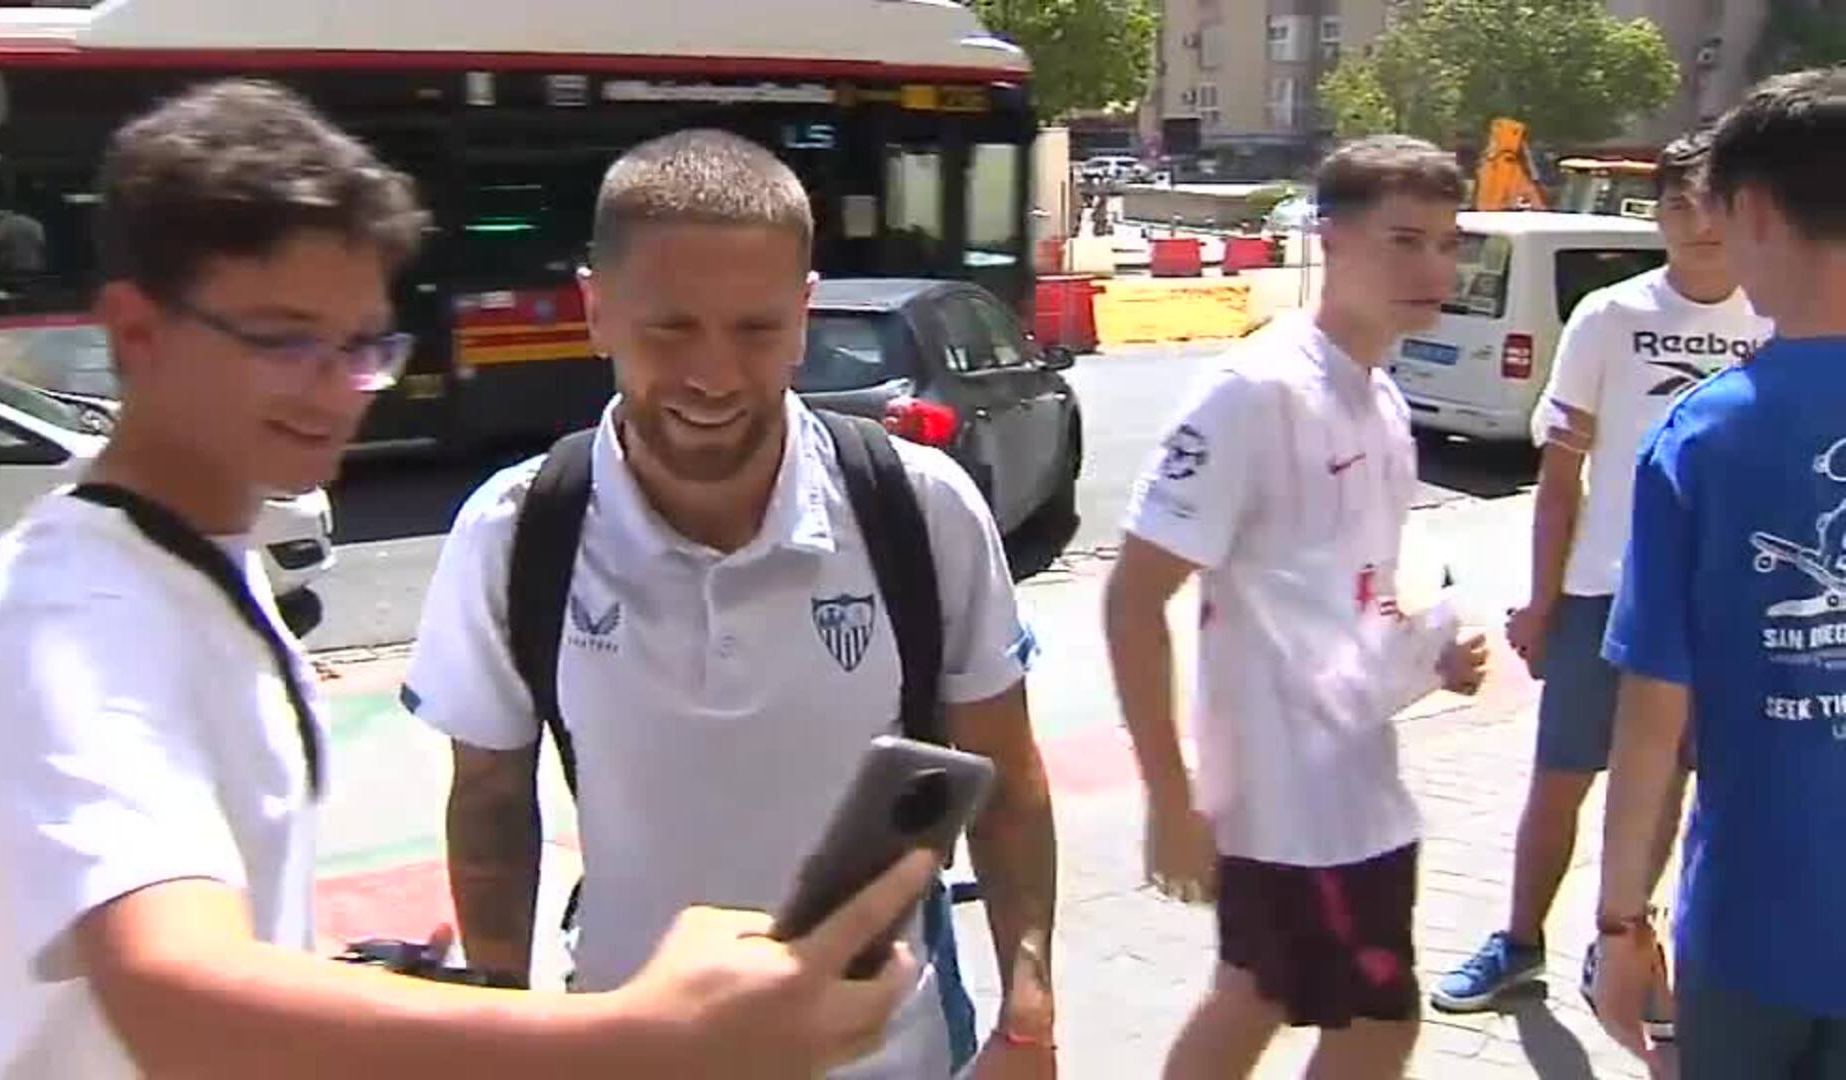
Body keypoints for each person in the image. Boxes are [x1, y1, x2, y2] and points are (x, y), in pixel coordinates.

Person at [0, 80, 935, 1080]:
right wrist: (645, 1034)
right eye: (282, 340)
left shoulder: (197, 559)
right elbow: (173, 997)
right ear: (138, 334)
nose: (335, 390)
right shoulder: (85, 612)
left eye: (360, 345)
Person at [402, 130, 1059, 1078]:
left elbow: (1007, 777)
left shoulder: (920, 507)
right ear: (596, 311)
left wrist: (1029, 1011)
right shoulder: (515, 531)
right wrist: (504, 1029)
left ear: (803, 317)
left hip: (892, 1054)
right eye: (671, 328)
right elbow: (492, 803)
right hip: (632, 1050)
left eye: (756, 330)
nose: (714, 376)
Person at [1103, 134, 1489, 1080]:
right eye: (1405, 241)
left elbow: (1343, 601)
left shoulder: (1383, 401)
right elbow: (1132, 600)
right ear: (1333, 241)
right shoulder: (1254, 391)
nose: (1433, 269)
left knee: (1259, 995)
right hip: (1290, 802)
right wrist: (1170, 801)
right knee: (1371, 1020)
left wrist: (1427, 656)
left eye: (1448, 243)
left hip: (1357, 781)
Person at [1430, 130, 1771, 1018]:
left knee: (1668, 785)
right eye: (1678, 205)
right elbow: (1560, 475)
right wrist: (1542, 601)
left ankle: (1623, 944)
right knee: (1561, 775)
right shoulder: (1610, 316)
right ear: (1656, 215)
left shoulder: (1774, 314)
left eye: (1712, 203)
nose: (1698, 224)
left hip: (1720, 604)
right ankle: (1517, 943)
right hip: (1602, 592)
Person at [1594, 67, 1846, 1078]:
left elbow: (1654, 714)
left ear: (1754, 212)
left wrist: (1620, 924)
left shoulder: (1704, 436)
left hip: (1753, 930)